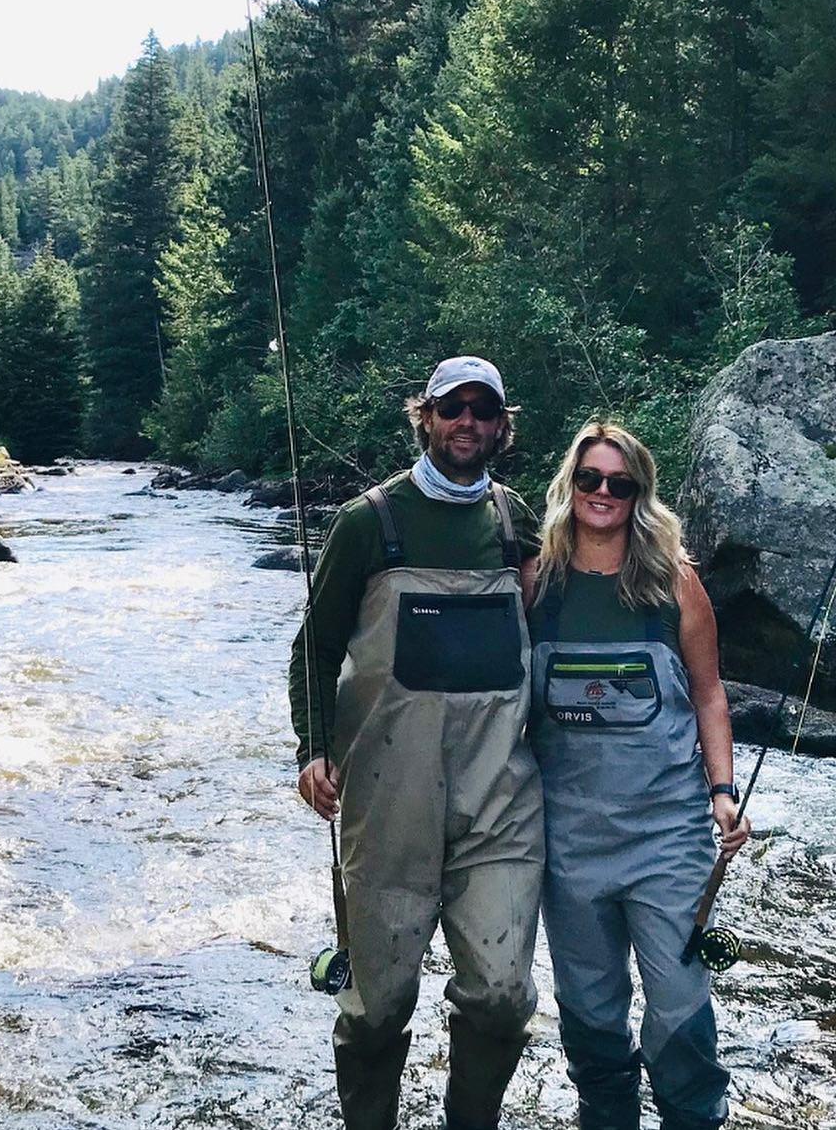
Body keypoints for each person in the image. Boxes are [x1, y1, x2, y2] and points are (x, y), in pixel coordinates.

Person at [289, 356, 545, 1130]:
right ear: (424, 419)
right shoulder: (370, 521)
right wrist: (313, 749)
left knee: (503, 996)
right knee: (376, 1008)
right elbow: (314, 647)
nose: (466, 421)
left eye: (482, 410)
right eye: (451, 408)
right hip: (387, 794)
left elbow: (563, 625)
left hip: (499, 797)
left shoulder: (515, 520)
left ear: (502, 427)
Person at [524, 421, 750, 1130]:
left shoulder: (675, 585)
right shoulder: (536, 583)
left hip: (667, 839)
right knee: (590, 1019)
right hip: (568, 843)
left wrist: (722, 791)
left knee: (682, 1013)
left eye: (619, 484)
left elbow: (710, 693)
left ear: (639, 495)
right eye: (589, 479)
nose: (602, 493)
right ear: (570, 486)